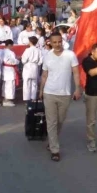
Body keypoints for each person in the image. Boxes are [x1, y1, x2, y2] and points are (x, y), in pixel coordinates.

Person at [39, 32, 81, 162]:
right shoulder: (47, 56)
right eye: (54, 42)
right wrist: (41, 90)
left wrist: (77, 89)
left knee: (60, 120)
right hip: (49, 93)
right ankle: (55, 150)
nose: (57, 44)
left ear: (62, 41)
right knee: (51, 121)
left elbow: (75, 73)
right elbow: (44, 75)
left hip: (65, 94)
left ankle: (52, 140)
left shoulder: (70, 55)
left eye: (59, 41)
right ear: (50, 43)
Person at [21, 35, 42, 104]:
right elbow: (41, 60)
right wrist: (37, 64)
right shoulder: (38, 50)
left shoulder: (27, 50)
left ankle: (27, 99)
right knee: (34, 84)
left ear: (30, 42)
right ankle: (33, 98)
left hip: (28, 66)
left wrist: (24, 62)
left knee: (26, 83)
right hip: (35, 66)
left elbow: (23, 60)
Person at [1, 39, 20, 107]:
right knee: (9, 85)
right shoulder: (10, 52)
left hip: (5, 69)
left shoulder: (2, 51)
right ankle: (7, 100)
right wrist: (17, 60)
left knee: (6, 84)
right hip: (9, 69)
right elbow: (10, 61)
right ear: (9, 45)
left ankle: (5, 98)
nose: (12, 47)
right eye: (12, 45)